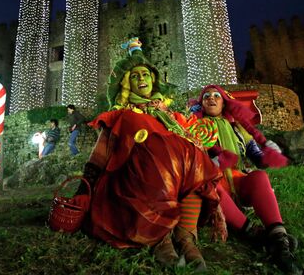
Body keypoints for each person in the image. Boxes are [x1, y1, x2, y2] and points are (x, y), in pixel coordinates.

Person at [76, 39, 222, 271]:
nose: (141, 79)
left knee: (195, 157)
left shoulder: (168, 115)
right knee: (157, 154)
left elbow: (192, 137)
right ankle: (160, 238)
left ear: (152, 80)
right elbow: (101, 152)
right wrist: (84, 190)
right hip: (132, 180)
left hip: (179, 173)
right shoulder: (121, 114)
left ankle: (185, 238)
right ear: (127, 84)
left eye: (145, 74)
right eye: (135, 76)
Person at [191, 85, 300, 274]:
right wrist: (211, 163)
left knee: (259, 177)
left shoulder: (238, 129)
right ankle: (253, 233)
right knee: (209, 185)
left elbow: (258, 159)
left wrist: (269, 153)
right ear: (201, 103)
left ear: (224, 101)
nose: (211, 98)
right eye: (206, 96)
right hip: (216, 183)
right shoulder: (194, 128)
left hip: (239, 181)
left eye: (217, 95)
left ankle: (278, 237)